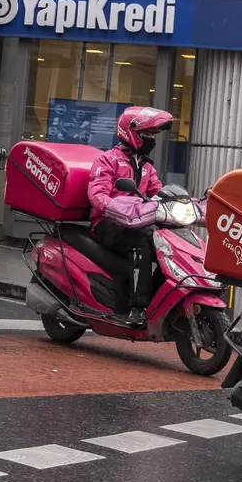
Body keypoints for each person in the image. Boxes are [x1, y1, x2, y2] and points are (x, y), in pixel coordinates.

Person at [86, 106, 170, 325]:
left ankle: (162, 299)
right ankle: (138, 308)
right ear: (132, 133)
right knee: (141, 241)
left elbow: (156, 192)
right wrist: (118, 208)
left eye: (154, 135)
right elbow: (97, 195)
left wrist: (175, 201)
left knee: (169, 242)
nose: (152, 140)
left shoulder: (146, 166)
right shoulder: (108, 160)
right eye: (147, 135)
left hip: (137, 222)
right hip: (107, 224)